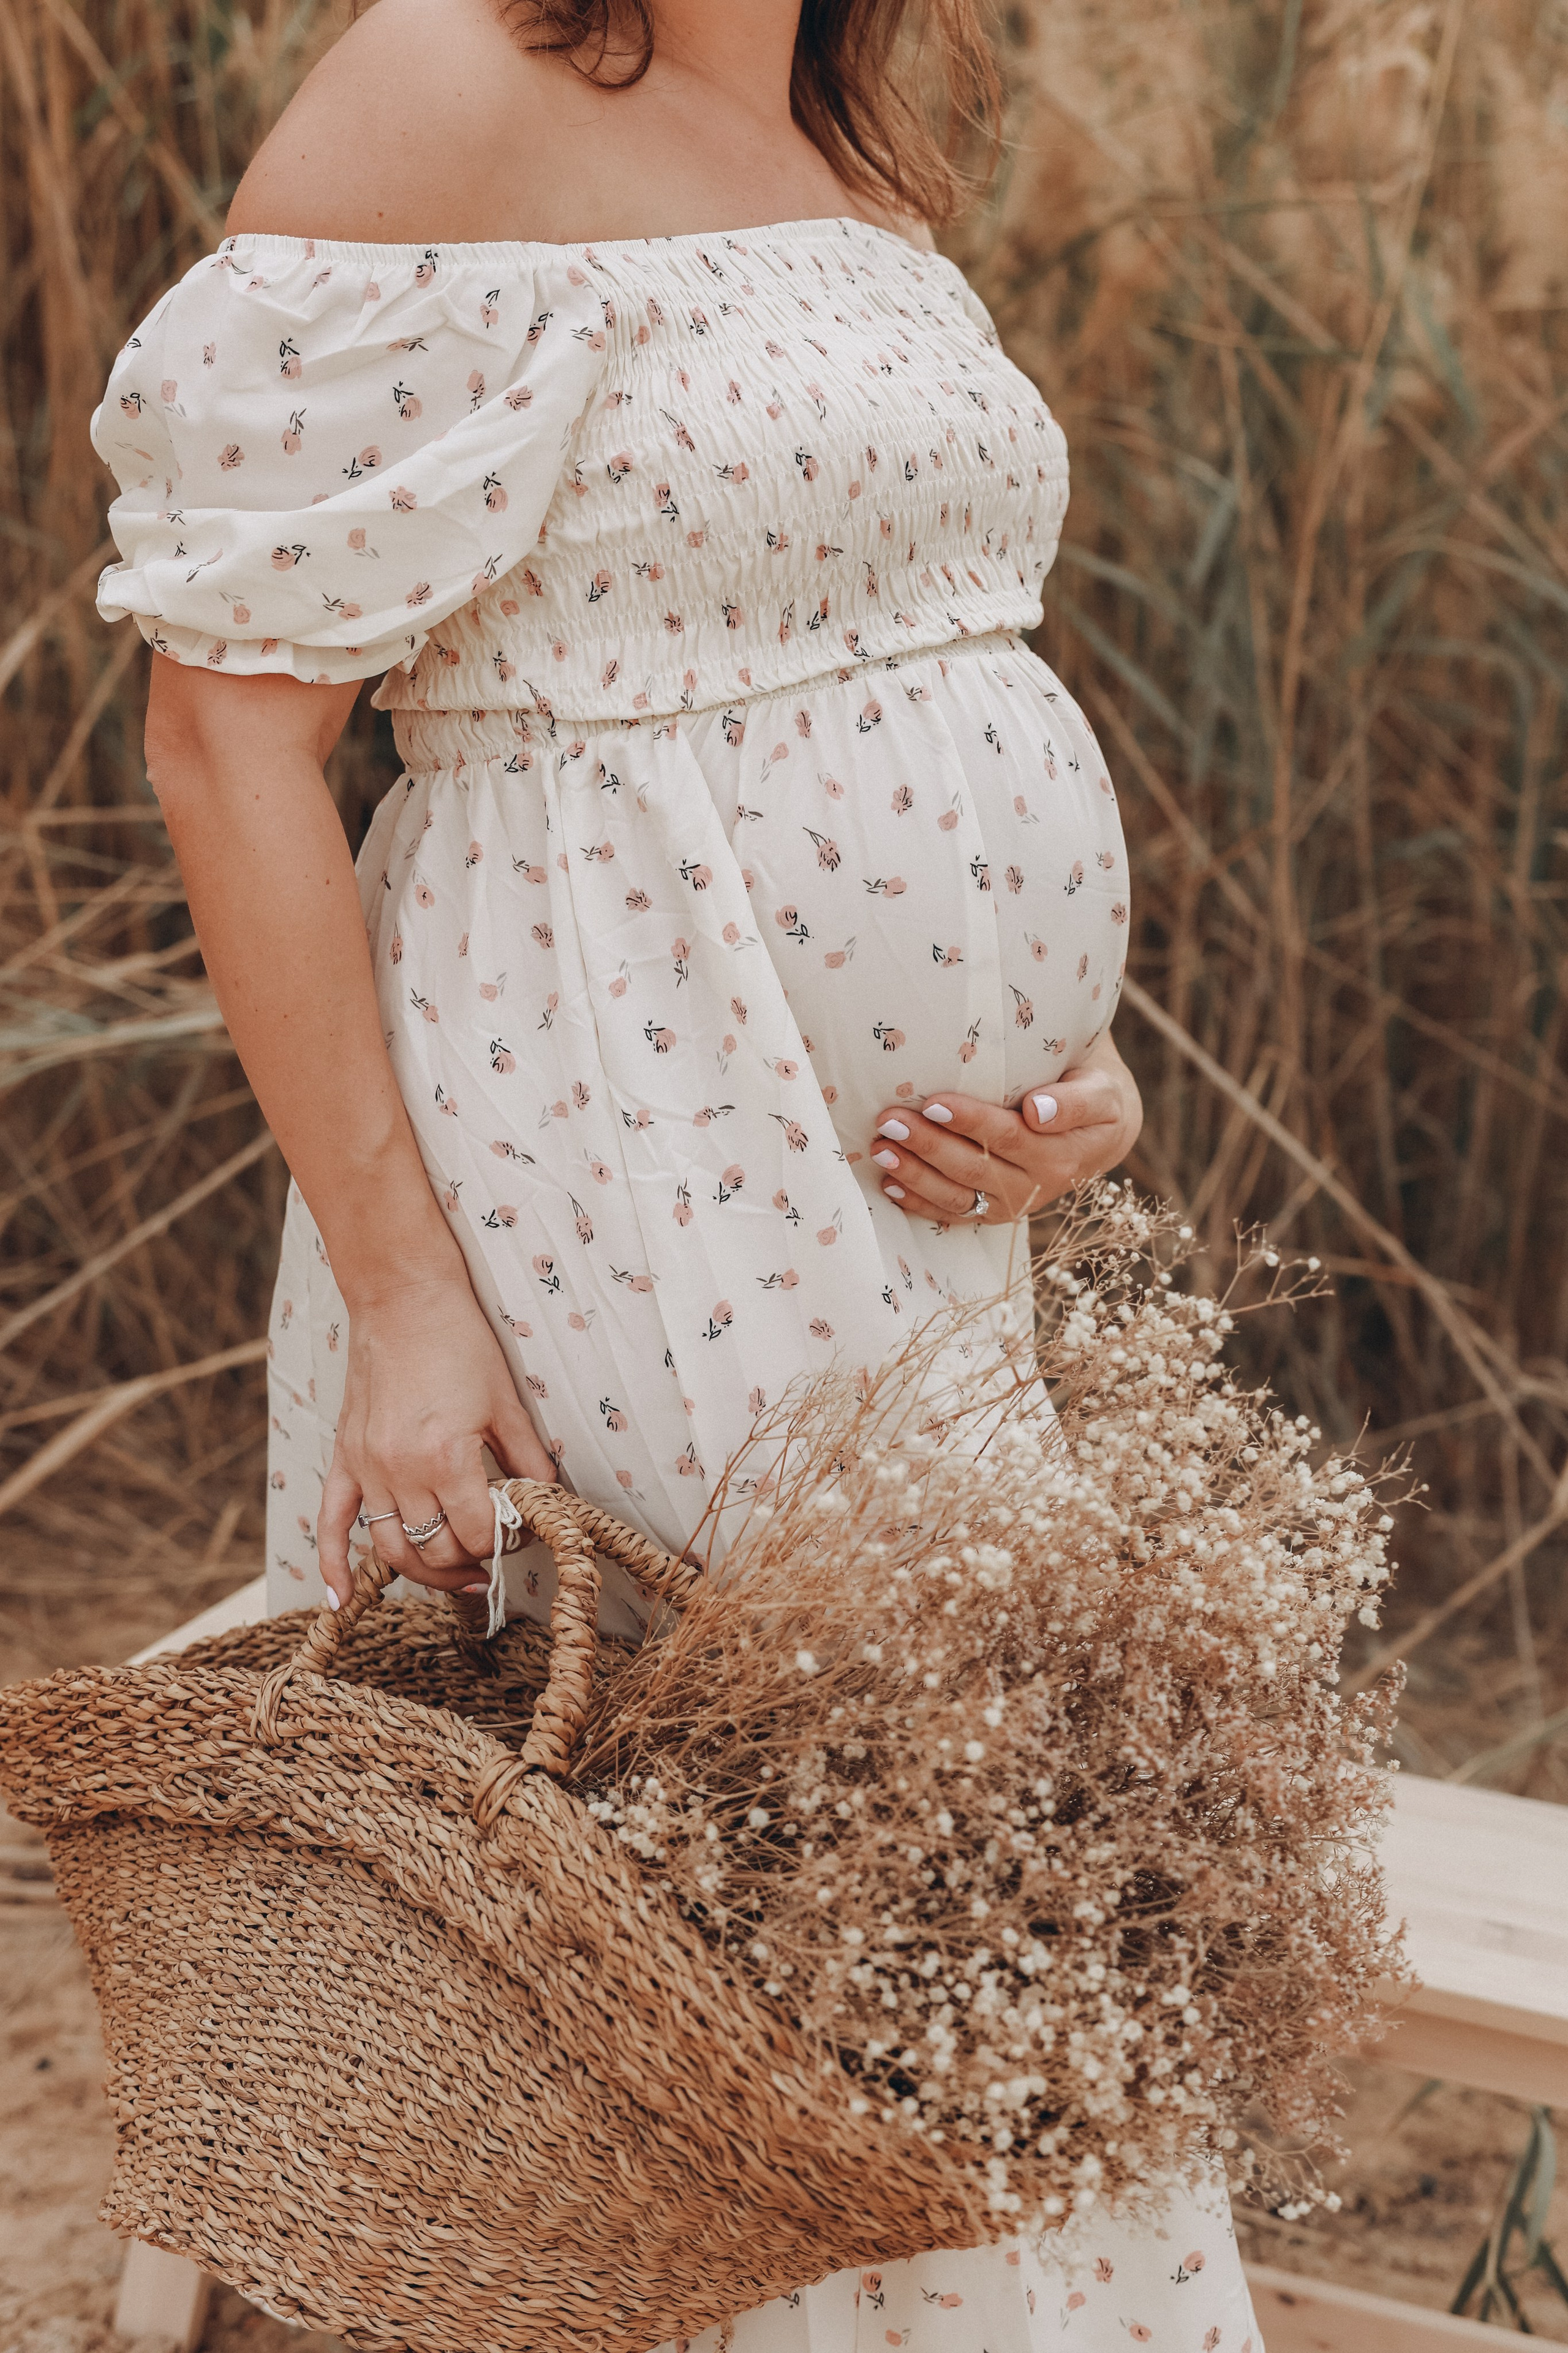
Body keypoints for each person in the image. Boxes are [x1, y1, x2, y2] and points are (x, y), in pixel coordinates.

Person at [89, 0, 1259, 2344]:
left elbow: (911, 655)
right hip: (608, 1135)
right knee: (695, 1929)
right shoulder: (440, 83)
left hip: (921, 1234)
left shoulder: (852, 115)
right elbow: (228, 737)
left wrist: (1070, 1054)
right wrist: (407, 1302)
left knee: (941, 1882)